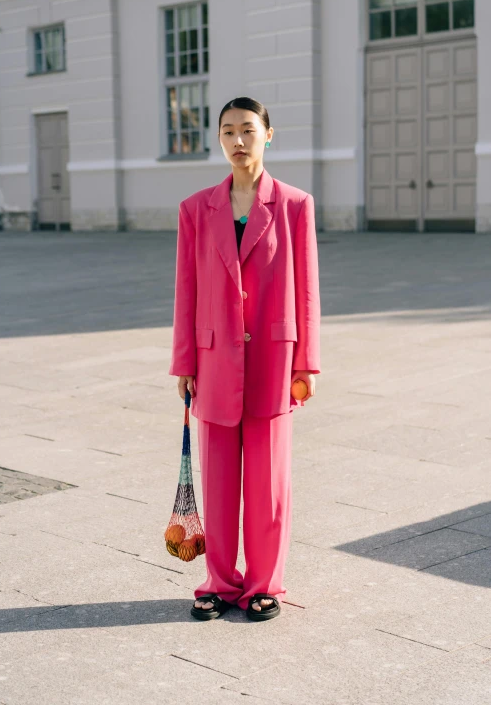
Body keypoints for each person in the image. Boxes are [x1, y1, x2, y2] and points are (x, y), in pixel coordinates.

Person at [169, 96, 321, 622]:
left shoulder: (296, 205)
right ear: (218, 139)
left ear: (268, 135)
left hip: (274, 362)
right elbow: (186, 290)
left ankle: (263, 584)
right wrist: (184, 362)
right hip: (212, 361)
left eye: (248, 131)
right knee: (218, 481)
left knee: (268, 484)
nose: (238, 140)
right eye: (228, 131)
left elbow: (307, 293)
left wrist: (307, 363)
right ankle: (218, 581)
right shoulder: (196, 209)